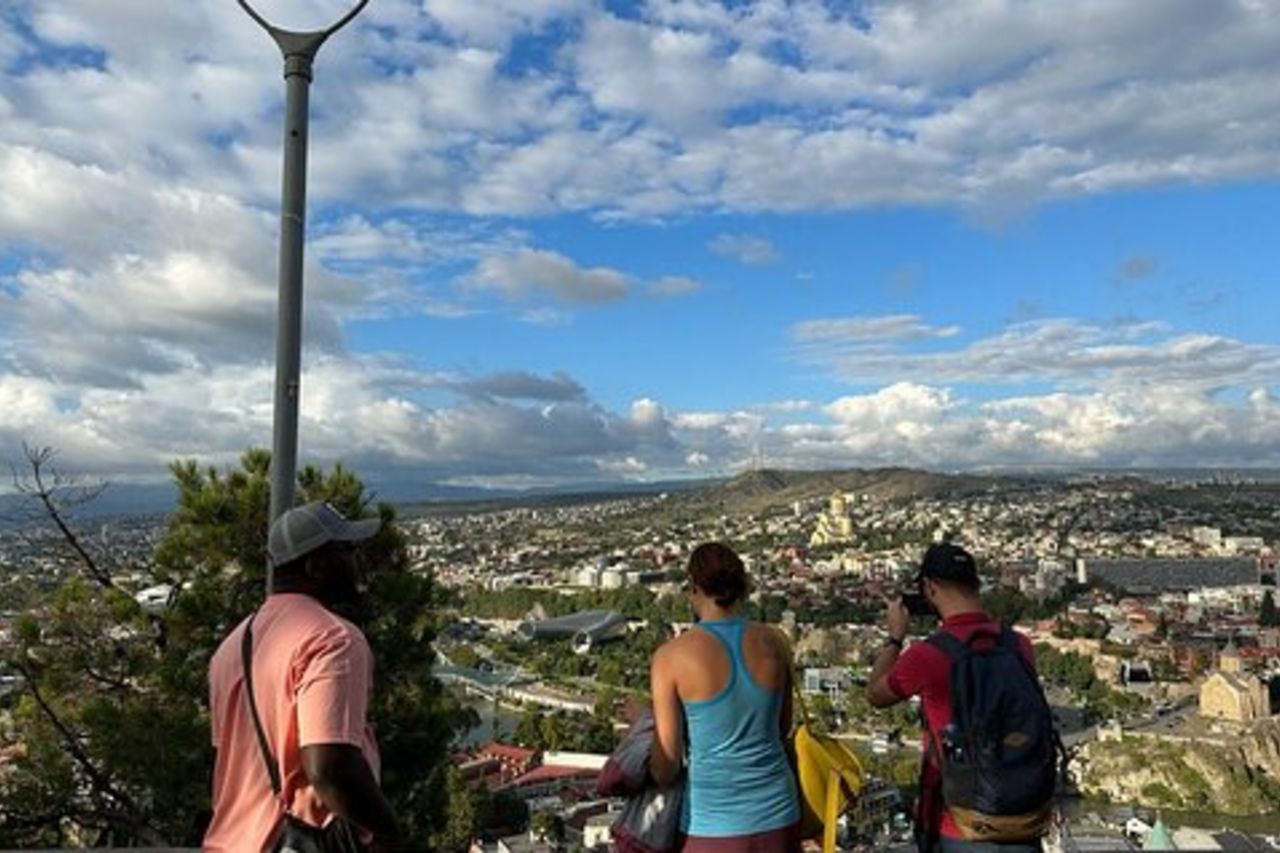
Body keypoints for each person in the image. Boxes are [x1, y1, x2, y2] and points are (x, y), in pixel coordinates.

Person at [204, 502, 401, 852]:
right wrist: (389, 832)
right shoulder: (334, 638)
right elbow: (329, 767)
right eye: (348, 551)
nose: (358, 564)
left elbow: (228, 759)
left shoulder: (231, 647)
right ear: (316, 566)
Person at [866, 543, 1046, 853]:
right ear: (976, 584)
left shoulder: (929, 655)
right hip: (1023, 816)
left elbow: (875, 694)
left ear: (929, 588)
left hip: (961, 824)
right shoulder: (1019, 646)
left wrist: (895, 637)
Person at [649, 542, 801, 852]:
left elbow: (666, 768)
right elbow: (781, 728)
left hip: (713, 824)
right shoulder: (775, 641)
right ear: (742, 586)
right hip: (780, 814)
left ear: (693, 587)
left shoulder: (671, 657)